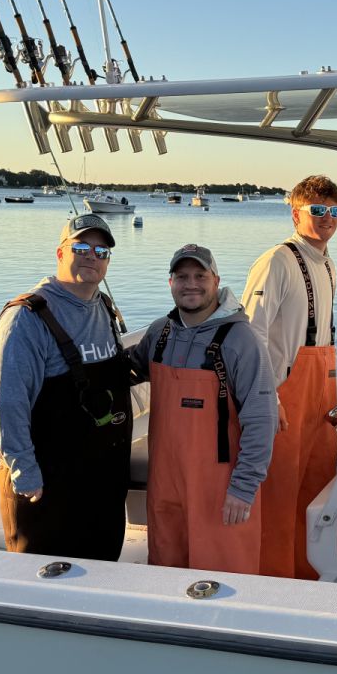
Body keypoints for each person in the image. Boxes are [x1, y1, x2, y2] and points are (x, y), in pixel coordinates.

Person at [0, 213, 133, 559]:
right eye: (81, 248)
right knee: (44, 578)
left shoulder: (104, 307)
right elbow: (7, 403)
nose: (91, 257)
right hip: (46, 486)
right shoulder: (27, 317)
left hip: (101, 482)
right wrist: (25, 472)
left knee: (104, 571)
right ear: (60, 253)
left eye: (101, 251)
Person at [129, 245, 277, 573]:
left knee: (221, 582)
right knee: (164, 572)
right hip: (165, 484)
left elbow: (262, 421)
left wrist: (243, 488)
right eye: (182, 277)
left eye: (200, 276)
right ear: (171, 283)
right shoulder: (159, 333)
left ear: (216, 281)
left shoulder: (242, 340)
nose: (191, 284)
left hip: (221, 489)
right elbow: (125, 372)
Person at [240, 174, 337, 579]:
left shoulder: (328, 264)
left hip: (320, 395)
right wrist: (269, 398)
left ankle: (307, 574)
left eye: (334, 211)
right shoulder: (276, 261)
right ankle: (272, 579)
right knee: (278, 496)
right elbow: (251, 335)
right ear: (296, 213)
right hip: (283, 397)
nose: (327, 218)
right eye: (317, 210)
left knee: (315, 489)